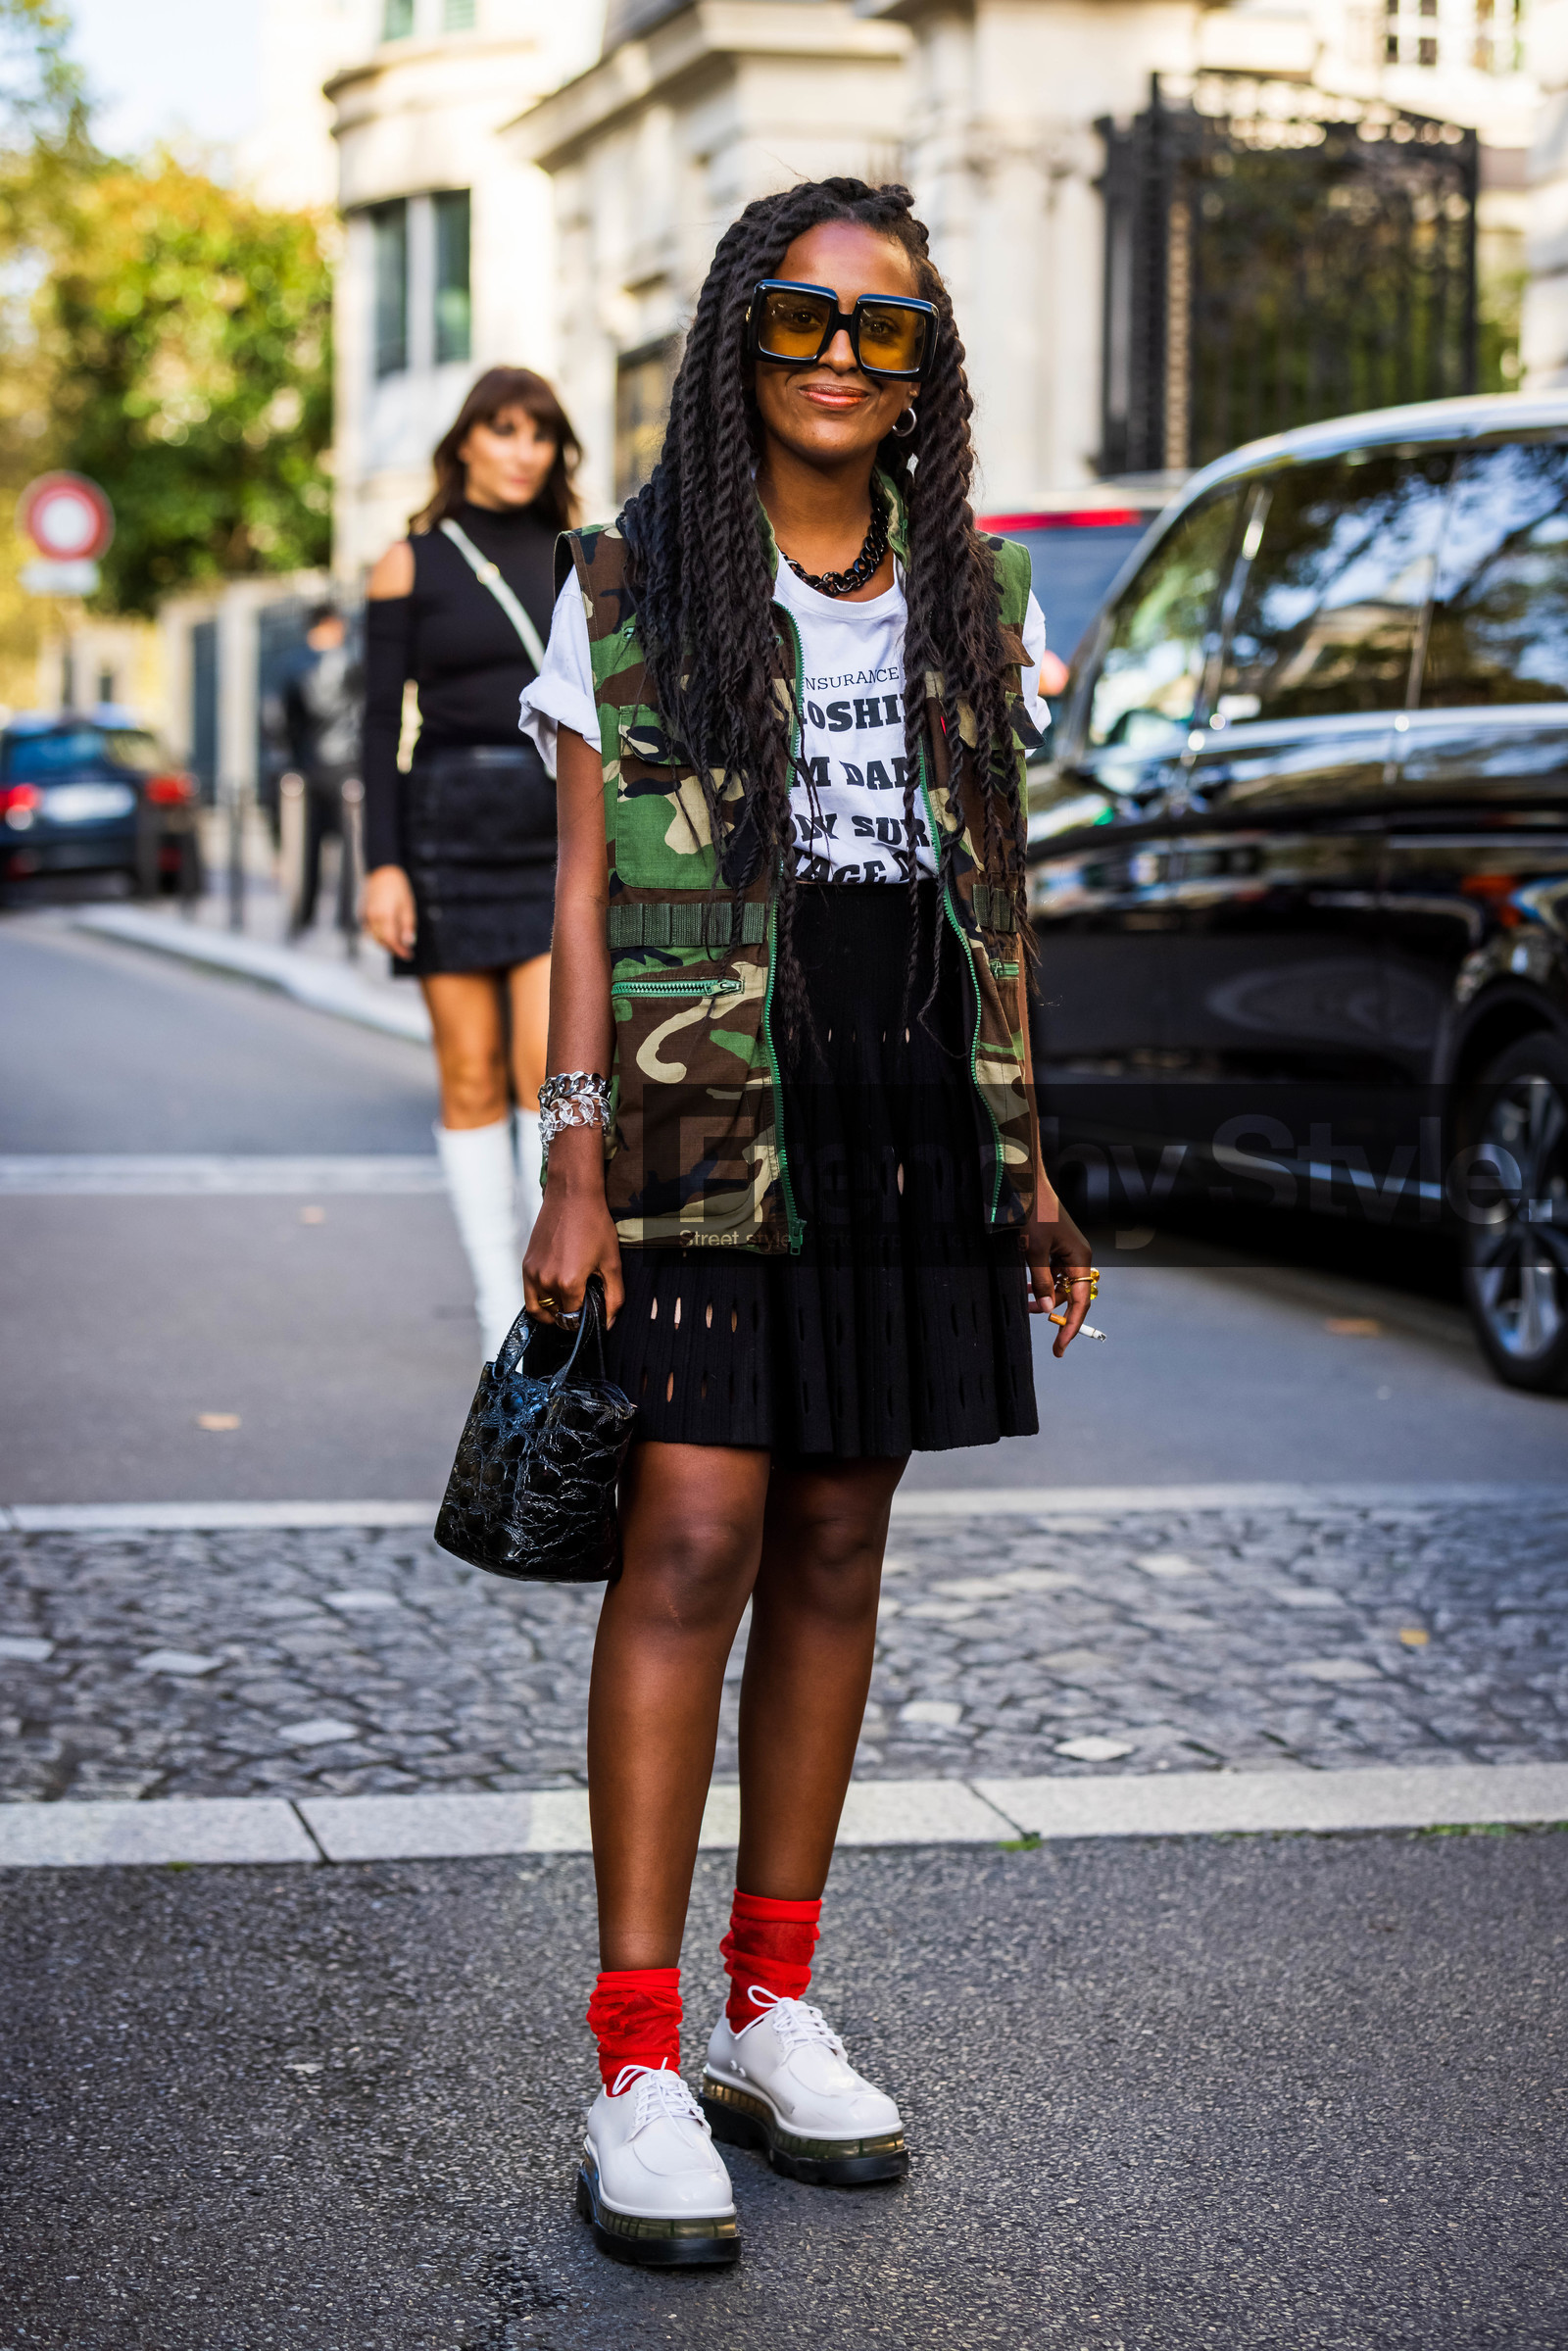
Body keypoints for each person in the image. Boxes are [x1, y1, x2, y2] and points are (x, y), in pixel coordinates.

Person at [519, 179, 1096, 2268]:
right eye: (803, 318)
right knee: (689, 1526)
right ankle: (636, 2044)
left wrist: (1022, 1153)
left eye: (885, 331)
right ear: (734, 336)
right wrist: (571, 1152)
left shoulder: (971, 593)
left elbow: (994, 891)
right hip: (696, 1092)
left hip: (902, 1089)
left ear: (924, 366)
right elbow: (584, 891)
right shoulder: (628, 580)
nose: (843, 357)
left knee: (841, 1530)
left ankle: (770, 2002)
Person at [361, 367, 579, 1357]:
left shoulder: (581, 558)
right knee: (468, 1076)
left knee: (547, 1076)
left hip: (552, 830)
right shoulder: (410, 561)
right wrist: (383, 866)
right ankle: (499, 1310)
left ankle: (552, 1291)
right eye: (502, 431)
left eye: (538, 434)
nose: (521, 450)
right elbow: (375, 729)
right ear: (464, 445)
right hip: (446, 825)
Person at [280, 604, 361, 936]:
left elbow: (277, 720)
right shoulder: (355, 661)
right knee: (350, 848)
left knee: (305, 846)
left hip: (309, 766)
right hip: (348, 765)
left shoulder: (291, 665)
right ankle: (346, 918)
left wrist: (290, 762)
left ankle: (303, 914)